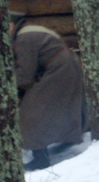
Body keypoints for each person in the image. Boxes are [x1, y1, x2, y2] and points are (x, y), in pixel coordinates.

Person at [10, 13, 86, 171]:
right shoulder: (27, 32)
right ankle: (68, 140)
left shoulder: (24, 38)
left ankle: (41, 158)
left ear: (11, 25)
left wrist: (10, 88)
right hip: (64, 68)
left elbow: (24, 74)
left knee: (31, 112)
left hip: (58, 70)